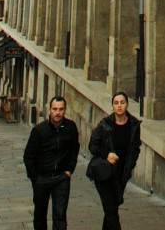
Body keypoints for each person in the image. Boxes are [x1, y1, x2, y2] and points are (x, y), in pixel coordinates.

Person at [23, 96, 79, 230]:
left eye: (60, 109)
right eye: (55, 109)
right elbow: (28, 156)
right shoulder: (39, 130)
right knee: (40, 214)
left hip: (61, 178)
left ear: (65, 110)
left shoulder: (70, 127)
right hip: (42, 178)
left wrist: (69, 170)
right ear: (50, 110)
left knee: (60, 215)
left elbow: (74, 149)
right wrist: (34, 177)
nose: (57, 113)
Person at [88, 91, 141, 230]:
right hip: (105, 174)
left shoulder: (134, 125)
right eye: (116, 103)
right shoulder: (105, 124)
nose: (119, 106)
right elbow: (92, 146)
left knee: (111, 211)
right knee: (111, 212)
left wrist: (130, 166)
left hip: (121, 175)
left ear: (127, 105)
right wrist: (106, 155)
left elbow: (135, 148)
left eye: (122, 103)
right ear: (112, 106)